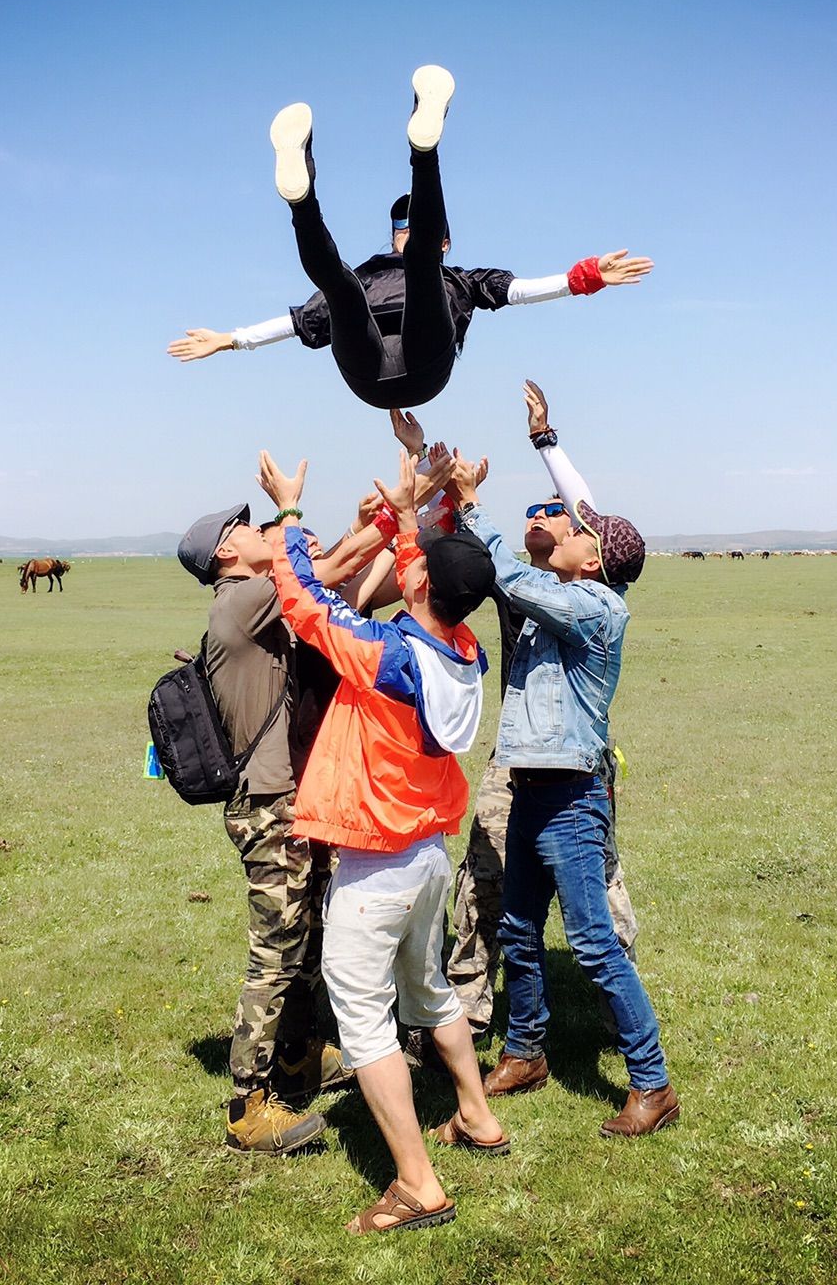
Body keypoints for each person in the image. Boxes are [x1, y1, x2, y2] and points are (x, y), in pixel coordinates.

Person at [260, 447, 508, 1234]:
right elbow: (418, 580)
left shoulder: (389, 657)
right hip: (428, 857)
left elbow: (304, 603)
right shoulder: (464, 651)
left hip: (376, 868)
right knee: (429, 990)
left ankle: (415, 1184)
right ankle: (476, 1114)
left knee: (364, 1020)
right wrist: (406, 523)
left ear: (425, 587)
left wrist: (291, 514)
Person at [165, 65, 654, 410]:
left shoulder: (458, 277)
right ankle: (300, 197)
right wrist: (229, 340)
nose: (404, 231)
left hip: (424, 363)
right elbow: (298, 323)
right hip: (368, 369)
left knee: (422, 271)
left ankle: (425, 149)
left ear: (446, 240)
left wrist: (585, 277)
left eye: (416, 225)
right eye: (398, 225)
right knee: (339, 286)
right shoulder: (369, 274)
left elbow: (519, 291)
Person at [445, 446, 680, 1138]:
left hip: (572, 801)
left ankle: (653, 1082)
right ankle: (525, 1053)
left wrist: (472, 506)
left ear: (593, 561)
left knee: (594, 945)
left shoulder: (594, 609)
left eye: (580, 531)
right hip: (531, 789)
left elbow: (512, 579)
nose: (570, 529)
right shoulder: (574, 596)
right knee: (518, 930)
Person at [427, 386, 639, 1039]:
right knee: (485, 883)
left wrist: (546, 445)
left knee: (598, 885)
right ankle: (472, 1012)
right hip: (515, 761)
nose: (558, 520)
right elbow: (471, 550)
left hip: (573, 766)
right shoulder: (516, 572)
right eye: (544, 516)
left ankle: (616, 1003)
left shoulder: (585, 596)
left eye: (568, 519)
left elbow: (588, 514)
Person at [176, 505, 361, 1154]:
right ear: (226, 554)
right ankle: (247, 1109)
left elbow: (324, 574)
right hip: (266, 806)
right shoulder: (243, 600)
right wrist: (290, 509)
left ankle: (302, 1059)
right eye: (247, 529)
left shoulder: (252, 598)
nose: (261, 535)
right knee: (275, 954)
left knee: (307, 936)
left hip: (287, 801)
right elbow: (324, 572)